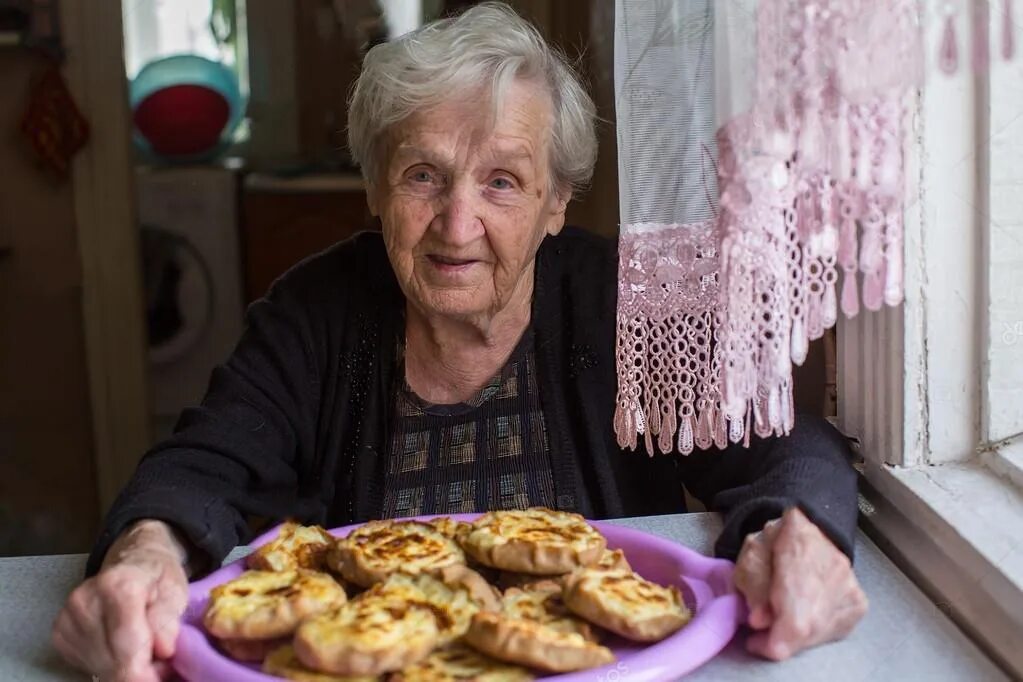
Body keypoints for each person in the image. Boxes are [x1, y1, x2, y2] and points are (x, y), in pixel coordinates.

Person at [52, 4, 867, 680]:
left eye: (502, 182)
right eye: (422, 175)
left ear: (557, 201)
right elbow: (197, 469)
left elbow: (788, 446)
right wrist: (143, 557)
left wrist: (800, 532)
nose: (456, 224)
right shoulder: (313, 316)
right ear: (374, 184)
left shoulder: (625, 303)